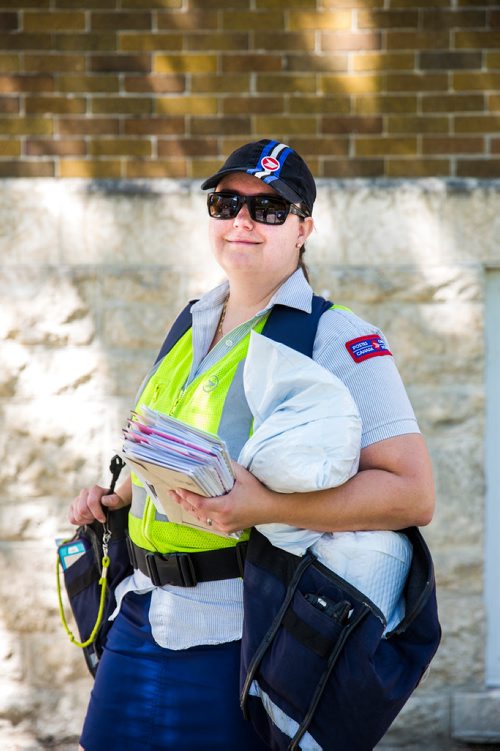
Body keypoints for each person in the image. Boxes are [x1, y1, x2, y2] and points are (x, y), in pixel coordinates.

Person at [69, 139, 435, 751]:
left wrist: (264, 507)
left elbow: (411, 493)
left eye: (269, 208)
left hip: (242, 633)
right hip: (140, 617)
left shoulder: (335, 335)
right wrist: (118, 496)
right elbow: (171, 445)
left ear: (303, 228)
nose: (242, 219)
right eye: (227, 202)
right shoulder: (191, 321)